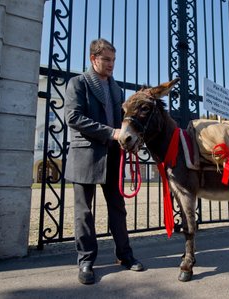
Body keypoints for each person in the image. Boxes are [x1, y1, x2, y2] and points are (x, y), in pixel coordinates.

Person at [65, 38, 144, 285]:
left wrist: (130, 138)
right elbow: (73, 117)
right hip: (85, 154)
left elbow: (123, 122)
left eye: (113, 60)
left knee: (118, 208)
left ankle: (125, 255)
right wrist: (111, 133)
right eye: (106, 60)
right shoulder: (78, 83)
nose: (111, 65)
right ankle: (86, 260)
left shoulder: (116, 89)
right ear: (93, 59)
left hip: (113, 156)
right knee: (84, 212)